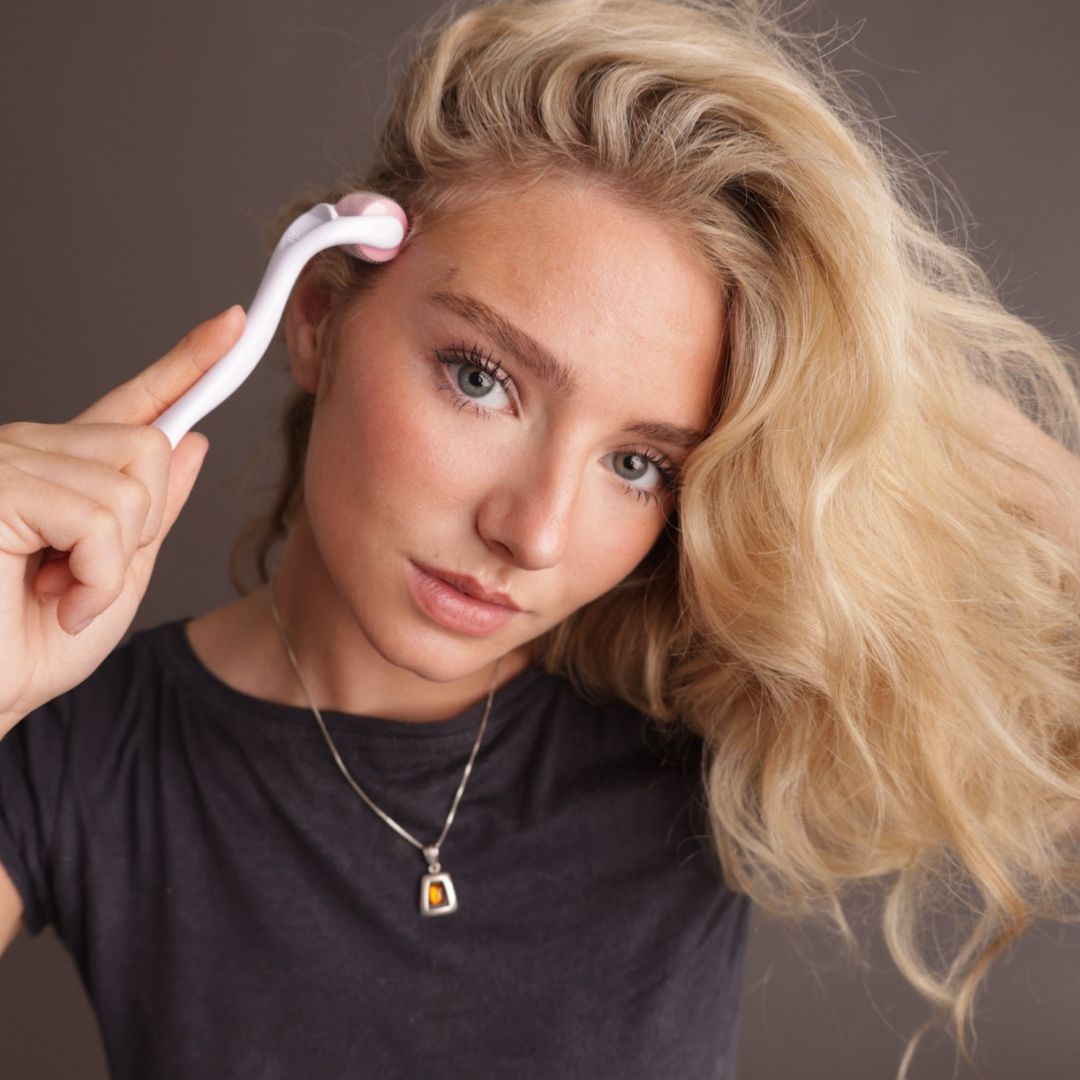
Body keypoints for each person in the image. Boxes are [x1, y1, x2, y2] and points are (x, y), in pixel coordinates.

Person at [1, 0, 1079, 1077]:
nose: (535, 530)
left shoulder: (682, 714)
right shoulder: (75, 742)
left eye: (639, 462)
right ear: (321, 313)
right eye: (483, 379)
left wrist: (868, 363)